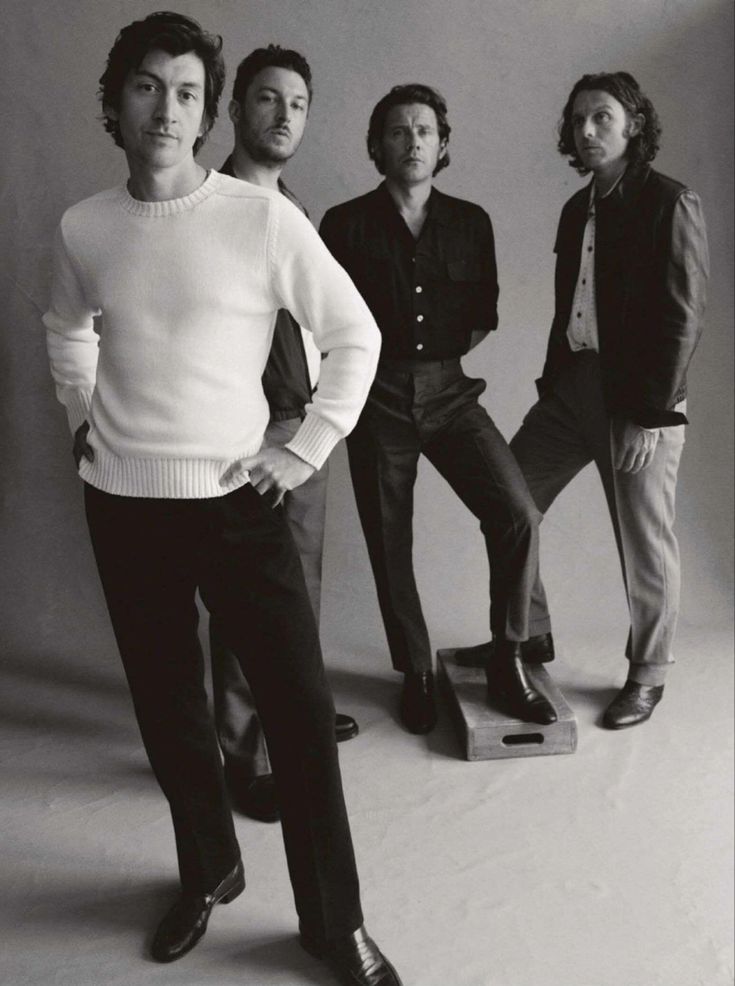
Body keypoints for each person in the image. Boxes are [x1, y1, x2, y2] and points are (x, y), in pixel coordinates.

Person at [43, 13, 403, 984]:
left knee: (296, 709)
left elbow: (355, 334)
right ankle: (208, 870)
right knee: (171, 710)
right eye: (148, 86)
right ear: (116, 102)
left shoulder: (259, 216)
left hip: (238, 503)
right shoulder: (87, 224)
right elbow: (67, 328)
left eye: (189, 91)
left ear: (209, 110)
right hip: (122, 505)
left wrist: (308, 446)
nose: (168, 107)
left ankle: (335, 922)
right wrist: (82, 414)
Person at [454, 72, 708, 729]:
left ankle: (647, 674)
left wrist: (650, 414)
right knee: (509, 501)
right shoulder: (576, 208)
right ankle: (527, 634)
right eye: (577, 120)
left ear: (632, 126)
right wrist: (552, 386)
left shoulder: (669, 203)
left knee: (644, 543)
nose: (587, 130)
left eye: (602, 117)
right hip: (570, 393)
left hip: (639, 401)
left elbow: (682, 319)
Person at [320, 84, 558, 736]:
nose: (413, 140)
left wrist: (434, 366)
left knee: (515, 512)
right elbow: (327, 321)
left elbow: (483, 316)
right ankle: (417, 670)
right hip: (376, 396)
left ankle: (508, 657)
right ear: (378, 146)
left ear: (442, 143)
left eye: (425, 130)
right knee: (388, 539)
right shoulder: (344, 224)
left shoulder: (469, 221)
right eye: (398, 131)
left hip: (451, 393)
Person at [210, 44, 359, 827]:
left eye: (297, 104)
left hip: (304, 424)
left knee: (298, 586)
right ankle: (242, 750)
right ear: (236, 109)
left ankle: (288, 718)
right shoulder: (210, 203)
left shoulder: (294, 208)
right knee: (245, 597)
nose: (283, 115)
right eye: (268, 99)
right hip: (242, 426)